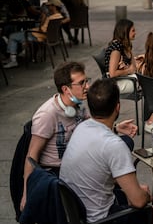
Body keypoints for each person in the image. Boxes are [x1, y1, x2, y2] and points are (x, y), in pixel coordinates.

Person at [60, 78, 153, 224]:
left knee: (138, 192)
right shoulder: (114, 145)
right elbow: (139, 202)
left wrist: (136, 191)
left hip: (80, 213)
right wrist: (145, 196)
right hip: (102, 220)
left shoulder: (81, 128)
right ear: (118, 107)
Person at [20, 62, 137, 211]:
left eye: (86, 80)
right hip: (58, 172)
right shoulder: (47, 114)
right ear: (66, 89)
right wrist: (26, 193)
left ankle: (123, 189)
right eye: (81, 83)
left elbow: (94, 128)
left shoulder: (78, 105)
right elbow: (32, 155)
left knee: (125, 142)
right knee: (117, 155)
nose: (87, 86)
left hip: (81, 158)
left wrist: (115, 127)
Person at [3, 0, 63, 68]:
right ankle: (12, 56)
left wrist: (43, 20)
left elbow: (42, 30)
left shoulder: (50, 18)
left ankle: (13, 60)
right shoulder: (59, 16)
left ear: (54, 6)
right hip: (45, 36)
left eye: (49, 6)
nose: (48, 7)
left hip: (38, 35)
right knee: (19, 34)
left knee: (12, 36)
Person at [105, 19, 137, 94]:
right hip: (114, 83)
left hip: (124, 78)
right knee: (144, 82)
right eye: (133, 31)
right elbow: (112, 74)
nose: (135, 33)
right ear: (125, 32)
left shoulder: (126, 45)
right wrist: (128, 70)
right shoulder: (116, 48)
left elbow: (134, 66)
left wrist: (129, 68)